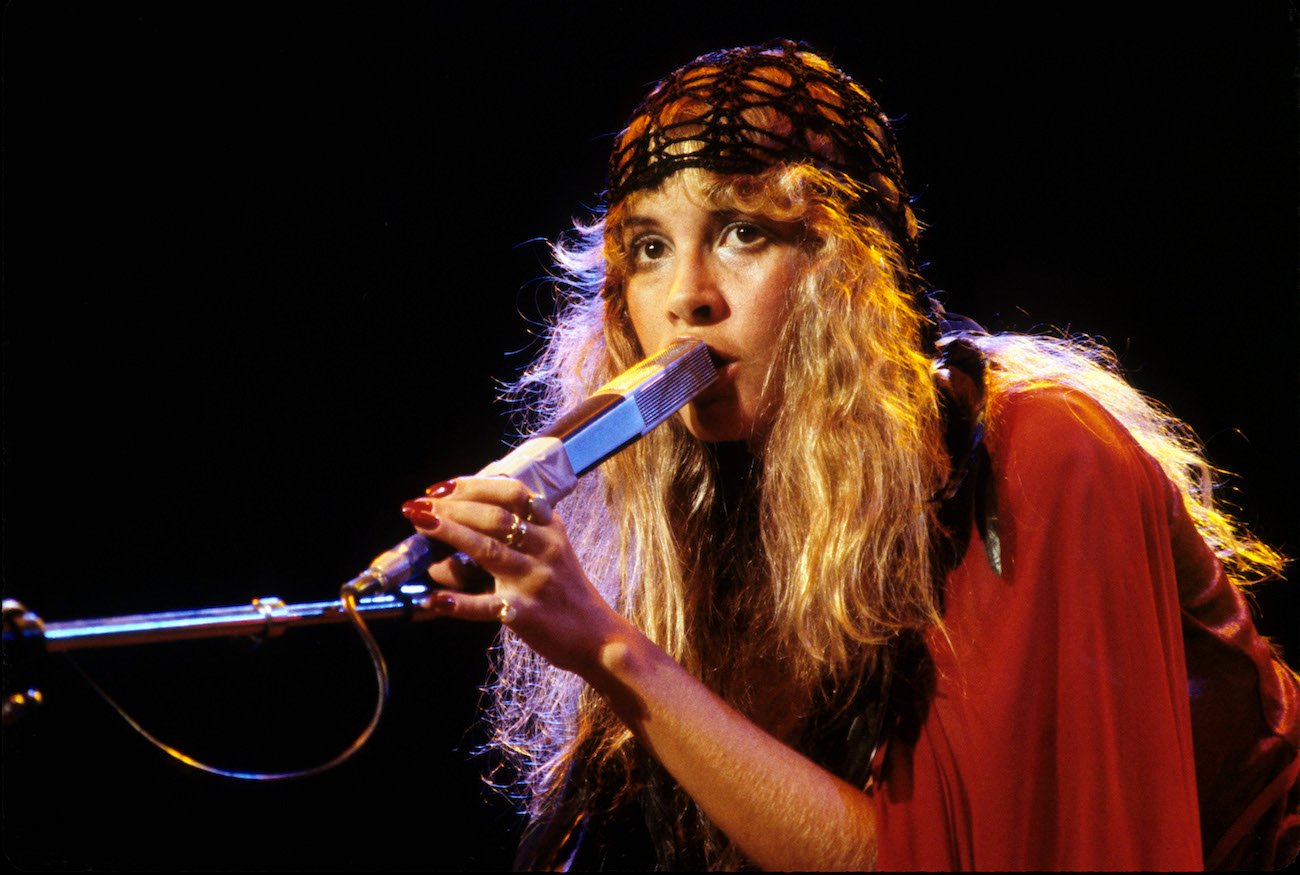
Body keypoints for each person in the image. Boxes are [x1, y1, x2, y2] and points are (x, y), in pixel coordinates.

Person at [398, 41, 1300, 870]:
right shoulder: (711, 506)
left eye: (744, 231)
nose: (686, 297)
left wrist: (611, 648)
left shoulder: (1037, 455)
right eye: (647, 248)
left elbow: (939, 859)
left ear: (847, 270)